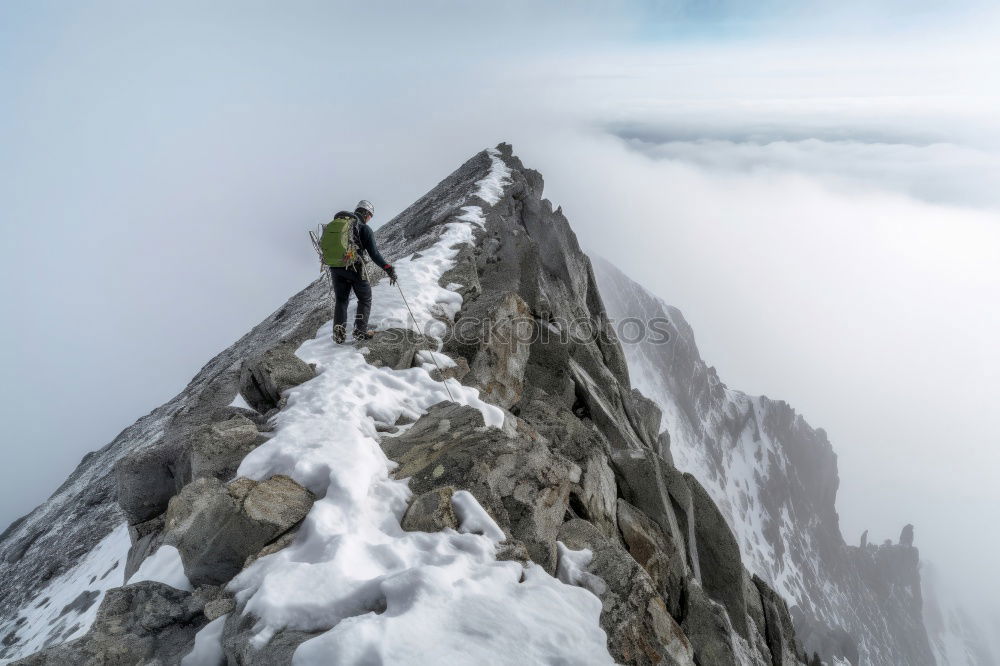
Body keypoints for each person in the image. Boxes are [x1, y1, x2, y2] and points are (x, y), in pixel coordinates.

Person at [324, 200, 397, 343]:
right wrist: (388, 268)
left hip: (336, 267)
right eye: (370, 216)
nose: (369, 219)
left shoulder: (339, 225)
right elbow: (374, 254)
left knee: (341, 300)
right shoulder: (364, 228)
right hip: (355, 268)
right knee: (364, 299)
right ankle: (360, 331)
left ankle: (339, 331)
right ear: (366, 213)